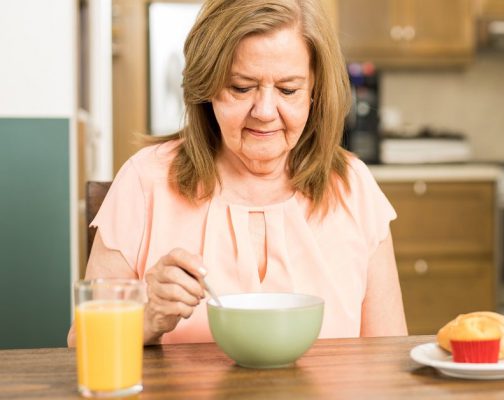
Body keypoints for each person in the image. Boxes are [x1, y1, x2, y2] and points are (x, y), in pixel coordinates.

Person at [67, 0, 407, 347]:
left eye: (288, 90)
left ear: (315, 91)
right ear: (207, 87)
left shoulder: (354, 187)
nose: (264, 112)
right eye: (241, 88)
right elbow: (83, 343)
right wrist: (148, 316)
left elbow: (389, 354)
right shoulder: (144, 180)